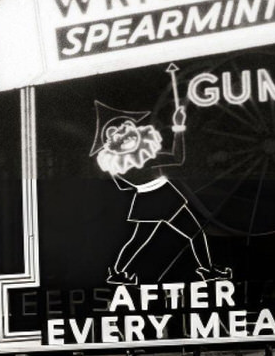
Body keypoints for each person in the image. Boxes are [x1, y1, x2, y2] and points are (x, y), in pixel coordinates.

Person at [91, 99, 231, 285]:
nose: (131, 140)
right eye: (125, 139)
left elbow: (123, 186)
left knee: (147, 239)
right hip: (158, 196)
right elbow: (178, 158)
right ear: (117, 144)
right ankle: (207, 270)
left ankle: (117, 271)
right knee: (150, 239)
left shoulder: (120, 167)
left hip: (152, 198)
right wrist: (178, 127)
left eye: (131, 136)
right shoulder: (144, 160)